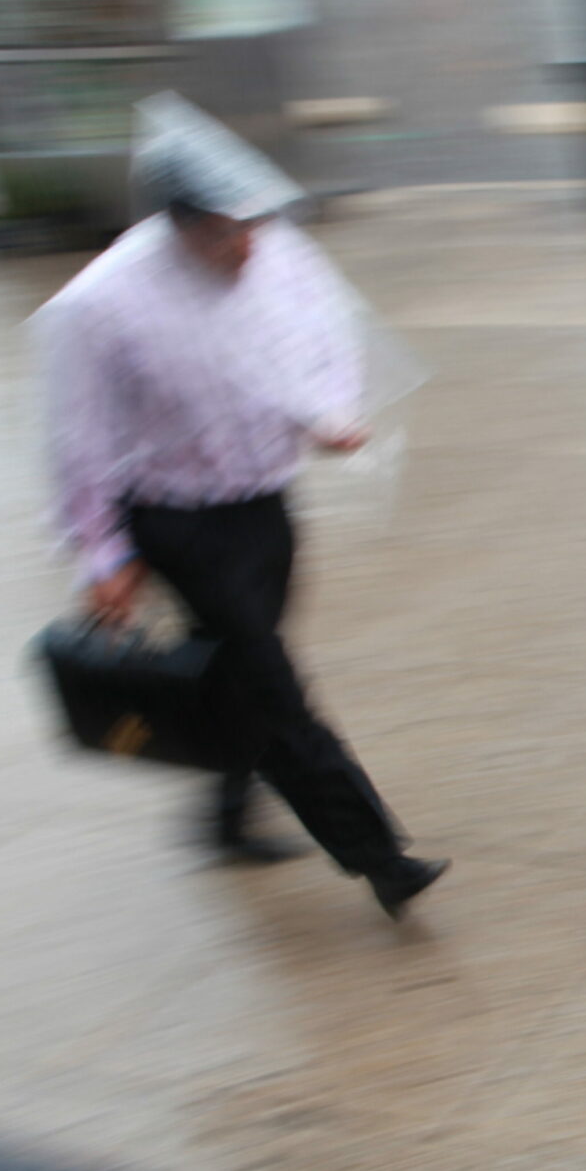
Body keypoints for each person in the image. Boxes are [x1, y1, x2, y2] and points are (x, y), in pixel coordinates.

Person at [33, 94, 446, 918]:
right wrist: (103, 554)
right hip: (177, 518)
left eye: (252, 224)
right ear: (178, 224)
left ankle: (222, 815)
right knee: (272, 683)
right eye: (224, 231)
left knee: (234, 668)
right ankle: (379, 858)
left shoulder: (275, 254)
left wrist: (328, 411)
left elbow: (317, 336)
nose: (246, 245)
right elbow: (79, 441)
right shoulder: (102, 304)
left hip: (264, 504)